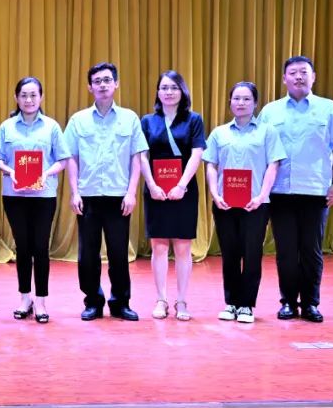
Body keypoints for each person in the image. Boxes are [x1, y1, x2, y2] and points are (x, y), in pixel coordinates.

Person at [262, 55, 333, 323]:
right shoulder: (270, 111)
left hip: (316, 191)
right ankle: (288, 302)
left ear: (313, 77)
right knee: (286, 251)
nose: (298, 77)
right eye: (293, 73)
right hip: (280, 191)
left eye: (304, 72)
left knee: (311, 251)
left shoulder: (329, 109)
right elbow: (262, 149)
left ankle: (311, 303)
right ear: (284, 79)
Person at [64, 62, 148, 322]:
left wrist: (131, 193)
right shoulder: (78, 120)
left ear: (116, 84)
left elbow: (137, 156)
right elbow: (71, 158)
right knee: (87, 255)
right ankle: (93, 301)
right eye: (97, 81)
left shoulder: (129, 118)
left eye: (107, 80)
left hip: (118, 196)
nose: (102, 85)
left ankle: (121, 302)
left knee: (119, 254)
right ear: (90, 87)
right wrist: (74, 192)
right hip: (88, 196)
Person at [203, 82, 286, 324]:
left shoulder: (267, 132)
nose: (241, 103)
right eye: (236, 98)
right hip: (224, 204)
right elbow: (211, 165)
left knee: (251, 253)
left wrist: (261, 196)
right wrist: (214, 194)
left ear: (255, 103)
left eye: (247, 99)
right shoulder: (219, 133)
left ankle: (247, 305)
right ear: (229, 102)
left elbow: (273, 165)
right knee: (229, 253)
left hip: (255, 204)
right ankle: (231, 302)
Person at [0, 77, 70, 323]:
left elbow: (63, 159)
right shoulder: (6, 127)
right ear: (16, 98)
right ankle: (24, 298)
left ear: (41, 97)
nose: (28, 100)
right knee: (22, 247)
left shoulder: (51, 127)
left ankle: (41, 301)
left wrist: (46, 173)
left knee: (40, 247)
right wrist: (11, 171)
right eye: (24, 95)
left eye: (33, 95)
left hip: (43, 196)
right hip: (14, 195)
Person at [139, 71, 206, 321]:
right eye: (164, 88)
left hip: (184, 190)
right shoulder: (148, 121)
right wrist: (151, 185)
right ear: (158, 92)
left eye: (174, 87)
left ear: (182, 91)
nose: (169, 92)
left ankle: (182, 301)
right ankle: (161, 300)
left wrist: (181, 185)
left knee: (183, 246)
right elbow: (142, 155)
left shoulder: (193, 120)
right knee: (158, 246)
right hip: (155, 190)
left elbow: (197, 153)